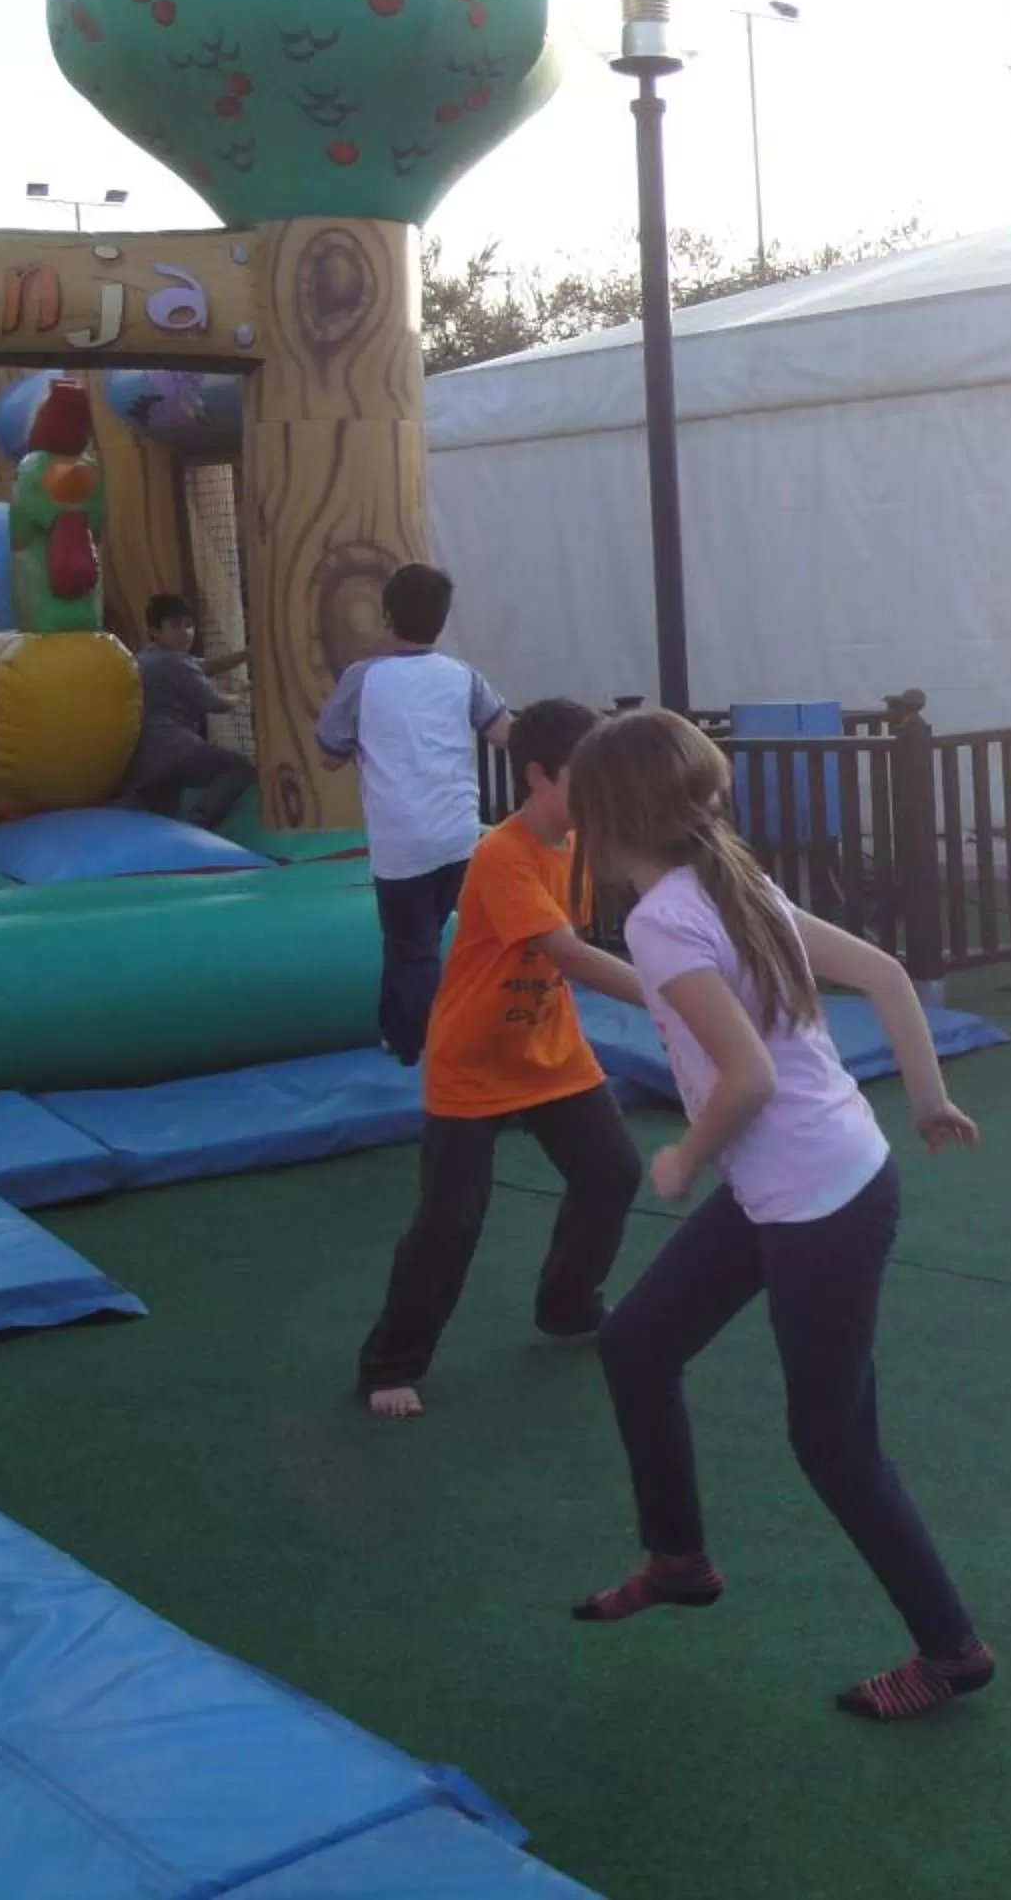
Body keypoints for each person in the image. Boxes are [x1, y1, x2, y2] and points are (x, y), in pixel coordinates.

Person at [564, 710, 992, 1724]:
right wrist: (926, 1098)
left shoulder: (666, 913)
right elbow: (883, 976)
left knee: (835, 1445)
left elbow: (746, 1078)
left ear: (602, 817)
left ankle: (953, 1650)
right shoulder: (722, 882)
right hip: (813, 1181)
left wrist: (681, 1155)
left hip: (816, 1204)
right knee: (635, 1345)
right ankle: (678, 1558)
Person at [356, 698, 645, 1418]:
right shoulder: (502, 854)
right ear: (539, 777)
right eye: (588, 778)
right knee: (451, 1219)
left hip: (549, 1051)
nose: (603, 795)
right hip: (474, 1060)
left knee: (611, 1171)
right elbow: (569, 954)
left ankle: (568, 1303)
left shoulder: (578, 842)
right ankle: (391, 1363)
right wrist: (673, 999)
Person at [318, 564, 514, 1064]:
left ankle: (436, 1047)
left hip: (401, 841)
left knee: (413, 946)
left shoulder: (364, 679)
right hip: (458, 833)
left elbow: (327, 751)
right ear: (441, 622)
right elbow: (505, 733)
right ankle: (399, 1033)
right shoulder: (461, 677)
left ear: (386, 617)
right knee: (421, 940)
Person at [123, 592, 256, 829]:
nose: (186, 632)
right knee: (240, 767)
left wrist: (246, 654)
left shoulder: (147, 657)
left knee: (160, 817)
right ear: (155, 631)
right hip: (176, 751)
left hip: (145, 760)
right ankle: (200, 821)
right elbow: (216, 703)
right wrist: (243, 694)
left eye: (189, 625)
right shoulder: (173, 663)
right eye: (176, 626)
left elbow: (205, 666)